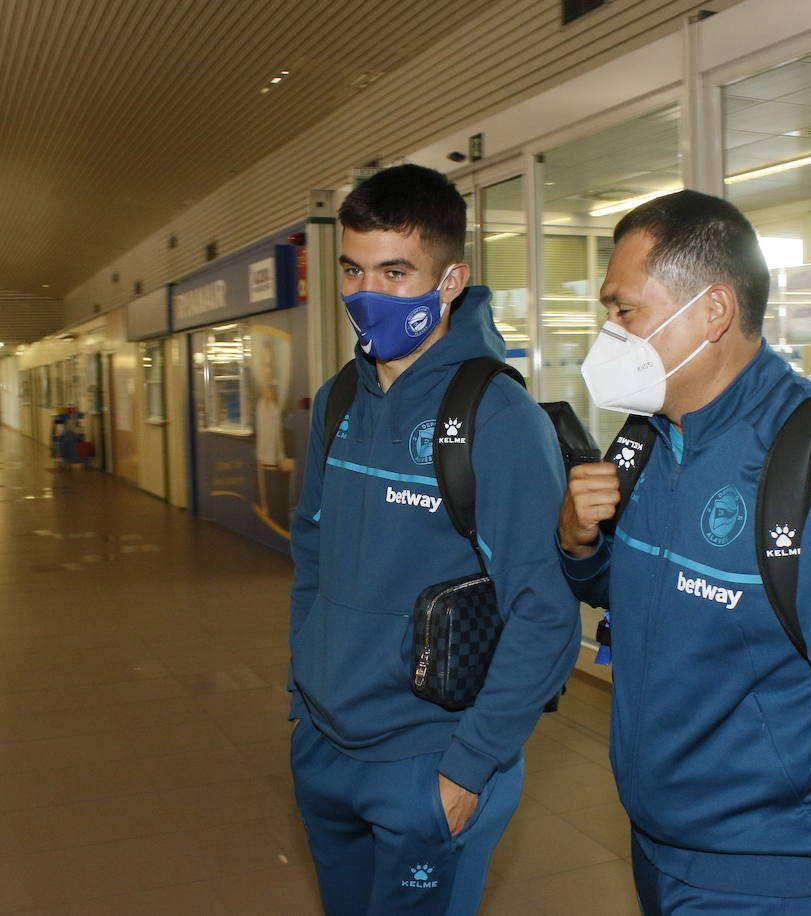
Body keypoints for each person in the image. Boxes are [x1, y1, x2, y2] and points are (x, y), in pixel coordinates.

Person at [558, 190, 811, 914]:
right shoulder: (647, 440)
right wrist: (578, 545)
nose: (609, 334)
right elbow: (640, 594)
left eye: (624, 310)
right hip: (655, 841)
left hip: (765, 870)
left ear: (712, 312)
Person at [288, 163, 581, 915]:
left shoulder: (497, 414)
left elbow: (545, 614)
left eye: (395, 272)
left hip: (428, 757)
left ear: (451, 280)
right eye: (352, 270)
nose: (366, 295)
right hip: (325, 745)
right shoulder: (339, 398)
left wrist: (468, 769)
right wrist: (302, 692)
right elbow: (311, 555)